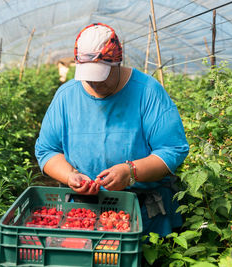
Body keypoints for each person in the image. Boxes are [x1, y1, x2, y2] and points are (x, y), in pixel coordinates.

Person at [35, 22, 189, 236]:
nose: (94, 83)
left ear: (117, 63)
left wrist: (130, 172)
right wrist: (70, 175)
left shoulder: (147, 92)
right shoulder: (67, 95)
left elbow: (172, 149)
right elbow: (47, 150)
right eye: (88, 75)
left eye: (101, 75)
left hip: (142, 211)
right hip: (84, 210)